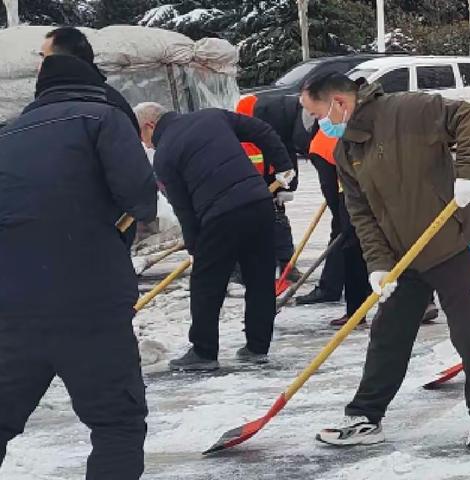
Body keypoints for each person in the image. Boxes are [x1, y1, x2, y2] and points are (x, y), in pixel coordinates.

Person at [300, 72, 470, 449]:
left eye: (318, 114)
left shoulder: (412, 108)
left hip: (454, 242)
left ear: (339, 102)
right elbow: (361, 215)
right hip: (403, 258)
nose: (319, 123)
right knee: (388, 336)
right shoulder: (345, 151)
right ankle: (366, 416)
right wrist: (378, 265)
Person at [0, 54, 157, 477]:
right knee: (116, 423)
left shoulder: (9, 135)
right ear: (94, 83)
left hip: (11, 308)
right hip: (90, 302)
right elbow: (140, 195)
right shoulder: (103, 118)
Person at [141, 103, 295, 371]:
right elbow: (263, 130)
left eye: (142, 137)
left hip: (220, 214)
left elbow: (184, 209)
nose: (147, 145)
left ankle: (203, 351)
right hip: (258, 201)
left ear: (150, 126)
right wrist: (283, 167)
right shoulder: (212, 116)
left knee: (206, 284)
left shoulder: (164, 155)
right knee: (259, 277)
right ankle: (258, 346)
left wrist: (195, 247)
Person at [39, 26, 140, 246]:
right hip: (65, 226)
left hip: (100, 228)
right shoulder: (53, 104)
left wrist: (115, 228)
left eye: (44, 57)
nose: (39, 67)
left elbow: (132, 176)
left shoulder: (106, 105)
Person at [297, 128, 371, 327]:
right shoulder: (350, 128)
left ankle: (355, 312)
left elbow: (331, 193)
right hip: (369, 186)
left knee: (352, 249)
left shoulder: (319, 149)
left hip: (355, 193)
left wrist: (342, 223)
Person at [236, 94, 311, 281]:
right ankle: (237, 270)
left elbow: (286, 153)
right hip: (246, 191)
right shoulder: (243, 141)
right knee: (243, 227)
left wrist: (285, 187)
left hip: (268, 184)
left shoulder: (277, 126)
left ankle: (287, 265)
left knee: (278, 220)